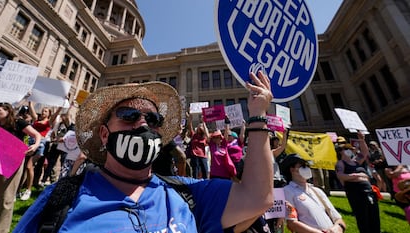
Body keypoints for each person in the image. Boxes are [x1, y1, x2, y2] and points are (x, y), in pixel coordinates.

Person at [14, 71, 274, 232]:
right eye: (129, 115)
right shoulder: (60, 200)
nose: (142, 124)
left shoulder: (188, 195)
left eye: (153, 120)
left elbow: (258, 197)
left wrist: (258, 115)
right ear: (105, 134)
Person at [0, 102, 41, 233]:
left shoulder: (18, 122)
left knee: (6, 197)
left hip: (11, 163)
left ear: (8, 111)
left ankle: (1, 230)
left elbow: (37, 135)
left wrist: (35, 145)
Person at [281, 154, 346, 233]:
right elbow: (292, 223)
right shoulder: (287, 191)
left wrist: (338, 228)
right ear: (292, 170)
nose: (307, 169)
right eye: (303, 166)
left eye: (308, 166)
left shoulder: (317, 191)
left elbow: (338, 218)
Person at [335, 132, 380, 233]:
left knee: (374, 216)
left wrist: (361, 140)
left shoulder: (356, 161)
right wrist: (357, 176)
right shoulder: (341, 163)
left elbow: (364, 153)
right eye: (346, 149)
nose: (350, 150)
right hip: (356, 192)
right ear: (341, 152)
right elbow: (340, 175)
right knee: (363, 218)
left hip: (368, 190)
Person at [19, 102, 57, 200]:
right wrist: (30, 101)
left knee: (29, 166)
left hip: (40, 145)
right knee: (23, 167)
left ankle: (28, 190)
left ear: (49, 114)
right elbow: (32, 111)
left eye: (45, 111)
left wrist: (62, 104)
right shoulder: (36, 120)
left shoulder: (48, 122)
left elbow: (56, 114)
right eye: (43, 111)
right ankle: (18, 189)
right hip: (30, 143)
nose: (43, 112)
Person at [186, 111, 210, 179]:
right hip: (194, 156)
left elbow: (206, 133)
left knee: (205, 171)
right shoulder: (193, 135)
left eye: (201, 126)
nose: (200, 127)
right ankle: (195, 184)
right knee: (195, 172)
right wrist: (190, 120)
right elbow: (190, 127)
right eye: (199, 126)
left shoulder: (204, 137)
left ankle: (206, 184)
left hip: (203, 156)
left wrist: (203, 122)